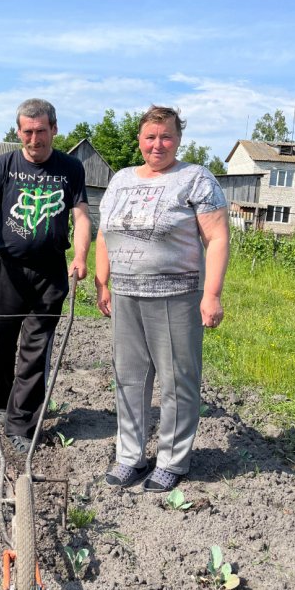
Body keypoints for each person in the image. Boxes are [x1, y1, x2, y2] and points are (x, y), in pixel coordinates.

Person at [95, 106, 229, 492]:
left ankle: (173, 460)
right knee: (129, 379)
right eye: (151, 137)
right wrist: (103, 281)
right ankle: (130, 456)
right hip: (125, 295)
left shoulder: (195, 179)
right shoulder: (120, 180)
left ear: (178, 139)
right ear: (139, 139)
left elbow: (217, 238)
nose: (158, 144)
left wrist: (212, 294)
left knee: (176, 381)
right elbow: (105, 235)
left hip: (177, 295)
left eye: (166, 136)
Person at [0, 99, 92, 453]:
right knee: (1, 347)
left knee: (36, 351)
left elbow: (81, 216)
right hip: (7, 272)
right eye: (28, 132)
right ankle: (0, 405)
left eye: (42, 131)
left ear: (54, 129)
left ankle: (21, 424)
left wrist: (80, 256)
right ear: (19, 132)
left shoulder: (70, 168)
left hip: (49, 274)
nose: (35, 139)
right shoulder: (3, 165)